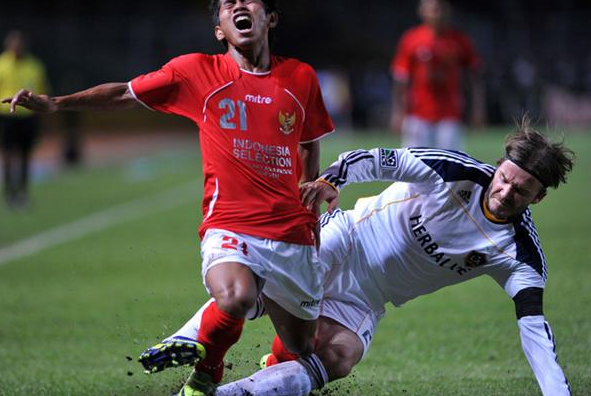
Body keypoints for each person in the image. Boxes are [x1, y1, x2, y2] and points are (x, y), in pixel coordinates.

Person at [2, 1, 335, 395]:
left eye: (250, 0)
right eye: (229, 4)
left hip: (292, 231)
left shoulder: (300, 76)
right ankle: (208, 371)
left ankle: (271, 359)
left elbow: (308, 142)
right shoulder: (197, 72)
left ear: (271, 19)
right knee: (235, 297)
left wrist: (310, 193)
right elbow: (124, 94)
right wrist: (58, 103)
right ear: (219, 30)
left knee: (302, 346)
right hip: (230, 223)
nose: (240, 6)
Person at [141, 118, 573, 396]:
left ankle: (229, 394)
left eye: (521, 191)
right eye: (503, 179)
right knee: (262, 287)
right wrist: (333, 178)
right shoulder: (454, 170)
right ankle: (189, 340)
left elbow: (535, 334)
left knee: (339, 357)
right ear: (497, 167)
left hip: (367, 298)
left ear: (540, 196)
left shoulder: (520, 253)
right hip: (346, 241)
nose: (504, 192)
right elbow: (383, 160)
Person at [389, 0, 485, 150]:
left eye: (440, 9)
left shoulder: (459, 40)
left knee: (451, 165)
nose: (437, 14)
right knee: (414, 163)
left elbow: (474, 76)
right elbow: (400, 78)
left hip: (450, 113)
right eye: (432, 9)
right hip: (417, 114)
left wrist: (477, 109)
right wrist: (397, 112)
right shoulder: (411, 39)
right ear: (422, 11)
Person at [0, 30, 49, 208]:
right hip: (6, 116)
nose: (17, 47)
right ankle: (9, 192)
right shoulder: (1, 65)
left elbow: (42, 90)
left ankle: (23, 192)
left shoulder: (35, 66)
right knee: (6, 155)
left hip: (28, 116)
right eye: (14, 43)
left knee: (25, 155)